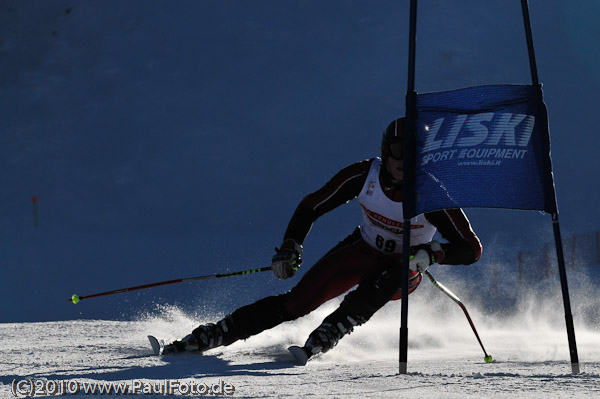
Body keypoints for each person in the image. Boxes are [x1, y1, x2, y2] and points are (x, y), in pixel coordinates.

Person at [161, 117, 482, 362]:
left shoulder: (433, 194)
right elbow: (311, 206)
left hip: (405, 269)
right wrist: (291, 245)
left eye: (415, 153)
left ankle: (335, 327)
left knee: (396, 267)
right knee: (297, 301)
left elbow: (471, 249)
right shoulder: (364, 175)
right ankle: (217, 333)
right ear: (387, 150)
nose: (404, 160)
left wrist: (432, 253)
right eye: (399, 151)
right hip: (363, 250)